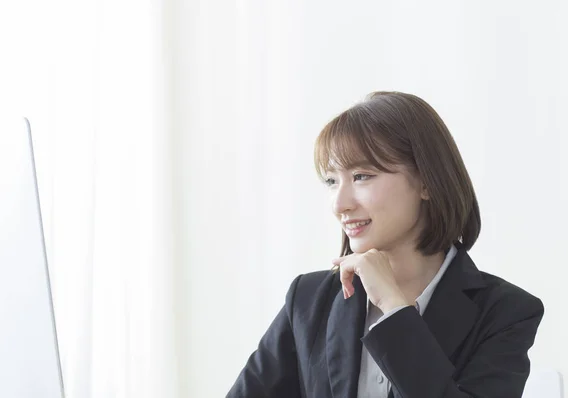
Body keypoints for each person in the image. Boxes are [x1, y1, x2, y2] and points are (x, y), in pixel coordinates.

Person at [227, 91, 544, 398]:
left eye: (362, 176)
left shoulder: (507, 312)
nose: (340, 204)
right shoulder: (309, 300)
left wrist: (394, 308)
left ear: (427, 182)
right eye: (332, 181)